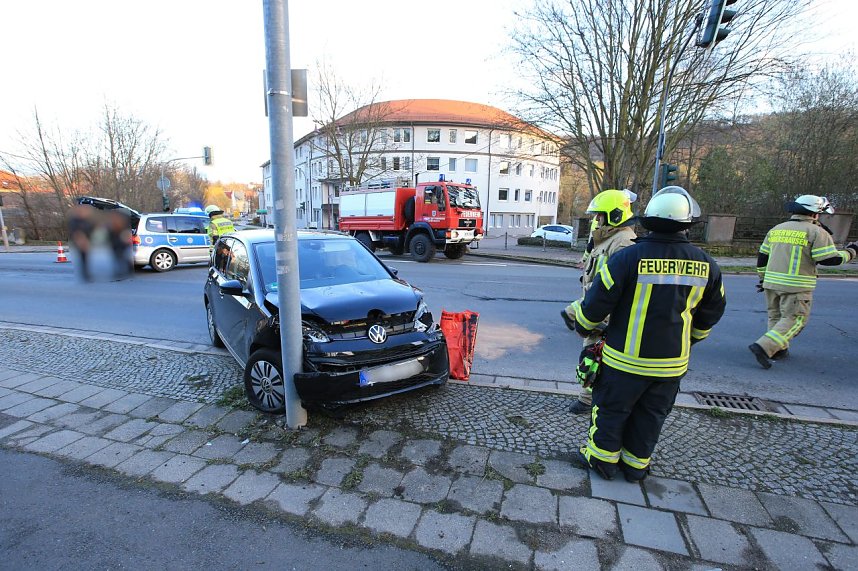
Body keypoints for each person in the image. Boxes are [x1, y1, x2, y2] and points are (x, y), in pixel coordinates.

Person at [568, 186, 726, 482]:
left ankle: (602, 461)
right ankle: (636, 466)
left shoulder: (628, 258)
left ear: (648, 220)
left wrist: (583, 327)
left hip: (623, 362)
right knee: (651, 417)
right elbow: (713, 311)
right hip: (670, 366)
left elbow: (595, 305)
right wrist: (692, 339)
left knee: (611, 412)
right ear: (688, 224)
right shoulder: (707, 264)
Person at [749, 195, 857, 369]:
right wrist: (851, 252)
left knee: (776, 317)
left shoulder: (777, 229)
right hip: (796, 286)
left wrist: (762, 278)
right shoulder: (816, 232)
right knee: (795, 319)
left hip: (771, 283)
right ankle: (764, 347)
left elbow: (763, 257)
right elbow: (829, 259)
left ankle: (778, 350)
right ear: (815, 214)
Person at [560, 189, 637, 414]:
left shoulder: (623, 243)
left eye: (599, 215)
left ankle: (589, 403)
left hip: (605, 315)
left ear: (614, 215)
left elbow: (614, 288)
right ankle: (586, 400)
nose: (595, 219)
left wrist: (585, 314)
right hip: (596, 310)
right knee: (590, 356)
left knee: (594, 358)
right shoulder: (608, 237)